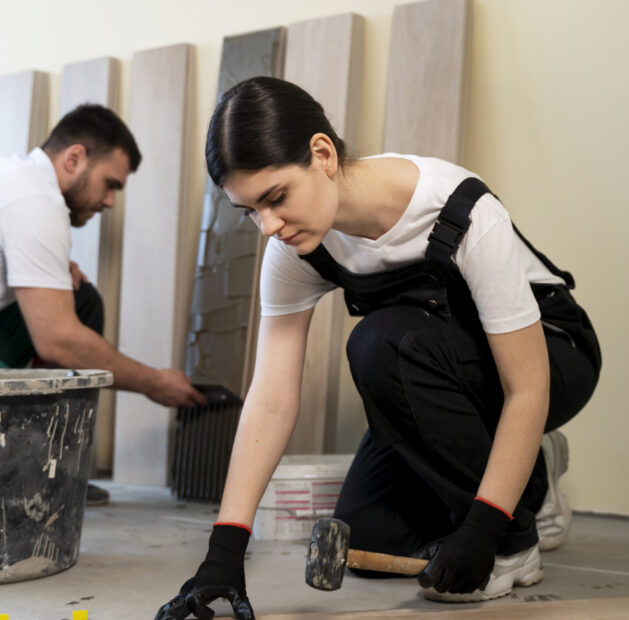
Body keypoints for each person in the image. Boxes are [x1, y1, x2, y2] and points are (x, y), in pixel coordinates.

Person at [155, 77, 601, 619]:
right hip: (446, 369)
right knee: (370, 536)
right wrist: (224, 549)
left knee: (380, 343)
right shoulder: (294, 249)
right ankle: (529, 475)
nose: (267, 226)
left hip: (553, 358)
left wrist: (485, 530)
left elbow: (526, 386)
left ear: (321, 154)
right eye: (247, 210)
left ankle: (516, 538)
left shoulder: (459, 209)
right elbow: (271, 396)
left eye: (275, 198)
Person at [0, 104, 206, 504]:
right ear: (75, 157)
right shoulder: (35, 203)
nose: (110, 201)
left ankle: (53, 468)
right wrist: (154, 383)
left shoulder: (17, 179)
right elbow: (57, 341)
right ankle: (37, 479)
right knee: (71, 323)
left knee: (82, 300)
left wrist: (57, 272)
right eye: (110, 184)